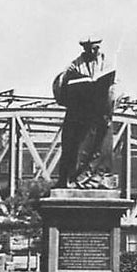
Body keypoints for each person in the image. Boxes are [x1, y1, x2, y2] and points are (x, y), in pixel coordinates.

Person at [53, 38, 116, 189]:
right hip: (79, 113)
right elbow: (62, 87)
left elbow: (115, 87)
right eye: (90, 49)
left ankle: (97, 176)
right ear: (85, 48)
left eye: (96, 48)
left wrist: (108, 101)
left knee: (101, 144)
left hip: (100, 113)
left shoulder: (108, 63)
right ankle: (72, 177)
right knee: (75, 145)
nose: (94, 51)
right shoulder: (75, 65)